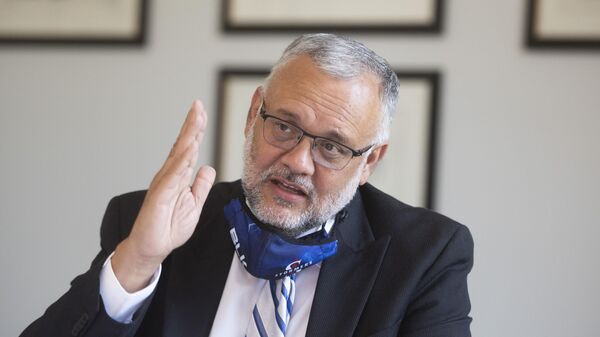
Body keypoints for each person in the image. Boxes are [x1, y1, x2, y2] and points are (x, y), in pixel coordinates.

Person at [20, 34, 473, 337]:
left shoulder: (426, 254)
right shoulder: (151, 222)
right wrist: (136, 262)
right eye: (282, 126)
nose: (297, 161)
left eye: (332, 148)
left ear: (370, 159)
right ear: (254, 112)